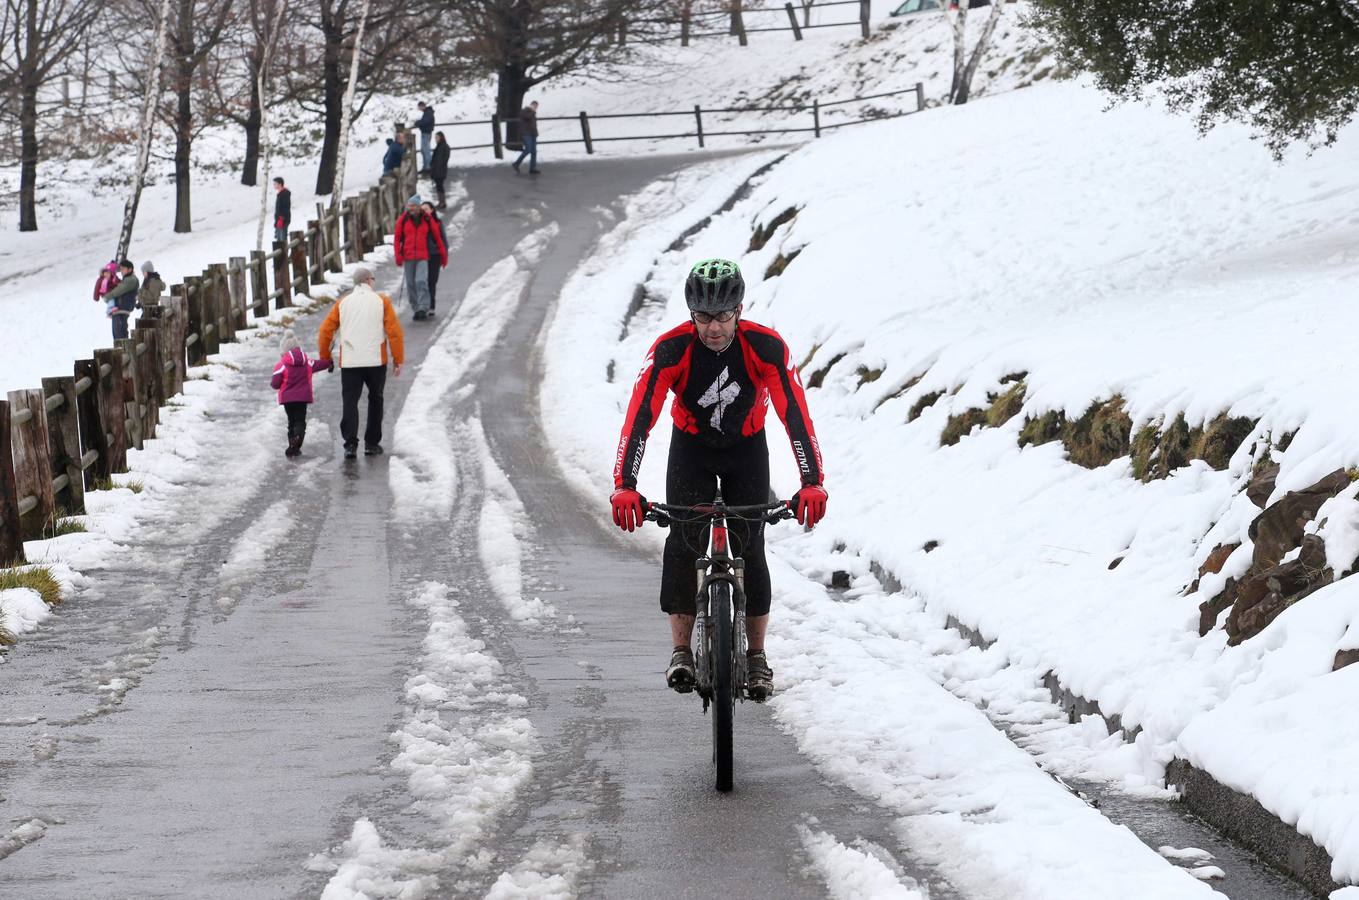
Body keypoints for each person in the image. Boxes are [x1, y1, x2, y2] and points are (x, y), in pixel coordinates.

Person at [609, 259, 828, 702]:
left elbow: (794, 414)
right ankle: (681, 651)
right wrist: (625, 484)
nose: (713, 328)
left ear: (739, 309)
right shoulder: (671, 349)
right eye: (703, 317)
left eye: (723, 316)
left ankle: (757, 657)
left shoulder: (765, 347)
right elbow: (640, 417)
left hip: (747, 447)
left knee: (751, 545)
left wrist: (812, 480)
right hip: (691, 448)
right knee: (682, 542)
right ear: (691, 313)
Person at [317, 267, 405, 458]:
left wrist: (326, 357)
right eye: (373, 278)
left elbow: (325, 331)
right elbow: (394, 332)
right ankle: (372, 443)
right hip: (376, 360)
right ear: (368, 280)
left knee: (350, 401)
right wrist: (397, 360)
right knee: (376, 399)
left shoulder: (343, 303)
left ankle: (350, 444)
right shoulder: (382, 301)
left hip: (350, 361)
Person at [271, 328, 332, 458]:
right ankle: (297, 443)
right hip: (302, 398)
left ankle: (292, 445)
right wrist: (329, 363)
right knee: (300, 421)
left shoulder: (281, 365)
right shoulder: (307, 362)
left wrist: (276, 384)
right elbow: (320, 364)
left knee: (291, 422)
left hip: (287, 399)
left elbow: (275, 383)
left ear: (283, 351)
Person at [393, 195, 447, 321]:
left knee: (421, 281)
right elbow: (397, 239)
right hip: (408, 256)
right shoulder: (403, 219)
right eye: (409, 206)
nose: (410, 208)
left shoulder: (427, 219)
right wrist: (398, 255)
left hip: (423, 256)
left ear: (418, 207)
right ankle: (416, 308)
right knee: (411, 284)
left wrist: (443, 255)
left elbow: (438, 238)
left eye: (412, 206)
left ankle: (424, 307)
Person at [420, 201, 448, 312]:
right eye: (422, 210)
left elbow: (444, 240)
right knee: (422, 281)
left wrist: (444, 255)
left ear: (432, 210)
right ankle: (423, 305)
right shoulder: (418, 223)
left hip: (434, 256)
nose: (424, 211)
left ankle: (431, 305)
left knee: (432, 281)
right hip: (421, 256)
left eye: (426, 209)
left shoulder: (438, 222)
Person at [104, 259, 140, 341]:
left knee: (120, 337)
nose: (121, 271)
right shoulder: (126, 279)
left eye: (123, 269)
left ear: (130, 269)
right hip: (119, 310)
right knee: (118, 335)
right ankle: (122, 351)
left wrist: (108, 296)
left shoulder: (131, 279)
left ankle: (123, 352)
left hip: (122, 310)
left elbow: (120, 289)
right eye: (121, 269)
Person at [512, 101, 540, 174]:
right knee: (528, 149)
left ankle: (532, 168)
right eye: (534, 106)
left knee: (534, 151)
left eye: (536, 106)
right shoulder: (524, 111)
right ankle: (516, 163)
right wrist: (533, 111)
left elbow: (532, 124)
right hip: (526, 134)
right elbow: (527, 117)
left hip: (533, 134)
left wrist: (536, 133)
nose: (535, 108)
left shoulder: (532, 113)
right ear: (531, 105)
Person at [430, 131, 450, 209]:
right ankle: (441, 201)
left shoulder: (444, 147)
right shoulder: (438, 146)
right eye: (435, 137)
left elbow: (445, 158)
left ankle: (443, 202)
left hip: (440, 170)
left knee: (440, 185)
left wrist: (439, 165)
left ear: (441, 138)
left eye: (437, 137)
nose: (436, 139)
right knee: (438, 186)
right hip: (437, 170)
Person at [416, 101, 435, 174]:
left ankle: (428, 168)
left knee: (426, 151)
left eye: (419, 107)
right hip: (425, 133)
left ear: (422, 106)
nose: (419, 109)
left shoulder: (428, 113)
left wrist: (418, 123)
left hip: (426, 133)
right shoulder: (427, 112)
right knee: (424, 150)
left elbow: (425, 122)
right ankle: (425, 167)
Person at [273, 177, 292, 244]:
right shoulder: (280, 194)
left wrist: (281, 218)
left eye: (275, 184)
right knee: (279, 239)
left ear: (280, 184)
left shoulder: (284, 194)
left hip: (283, 220)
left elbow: (285, 207)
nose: (274, 185)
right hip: (279, 219)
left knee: (282, 238)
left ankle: (284, 253)